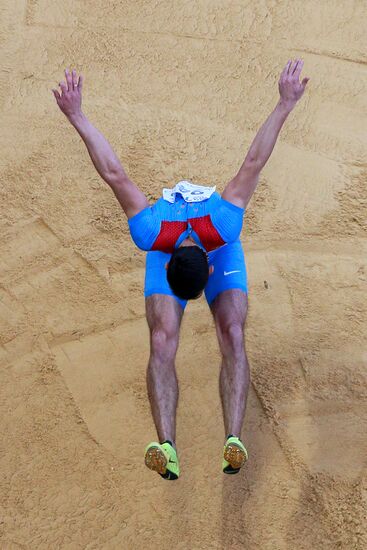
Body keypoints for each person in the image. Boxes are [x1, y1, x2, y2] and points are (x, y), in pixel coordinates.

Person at [52, 59, 309, 479]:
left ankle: (193, 441)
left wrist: (77, 115)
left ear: (169, 264)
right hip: (212, 246)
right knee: (232, 333)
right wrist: (284, 104)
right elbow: (253, 163)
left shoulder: (160, 233)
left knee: (165, 338)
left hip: (213, 247)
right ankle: (201, 442)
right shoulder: (215, 222)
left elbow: (114, 173)